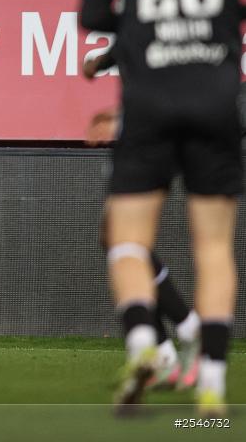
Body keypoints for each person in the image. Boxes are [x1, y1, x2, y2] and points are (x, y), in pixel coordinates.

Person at [79, 0, 246, 416]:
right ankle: (213, 385)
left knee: (123, 238)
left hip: (149, 104)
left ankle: (148, 342)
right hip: (216, 102)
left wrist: (135, 33)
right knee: (215, 248)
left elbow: (94, 15)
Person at [84, 54, 202, 392]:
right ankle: (165, 355)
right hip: (149, 132)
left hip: (149, 138)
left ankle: (186, 328)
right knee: (121, 241)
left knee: (124, 241)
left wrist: (97, 63)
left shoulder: (146, 25)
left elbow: (126, 49)